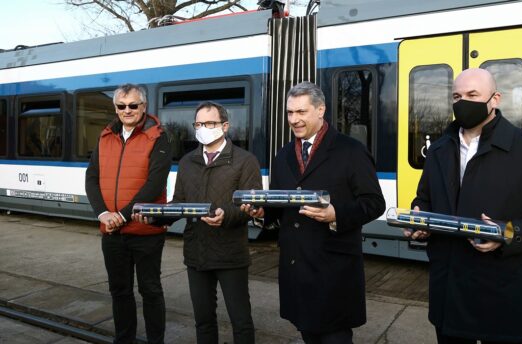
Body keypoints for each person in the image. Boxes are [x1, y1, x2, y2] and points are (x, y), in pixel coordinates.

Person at [405, 68, 522, 344]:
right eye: (456, 96)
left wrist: (506, 233)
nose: (462, 102)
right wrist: (419, 218)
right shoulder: (438, 150)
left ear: (495, 99)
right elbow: (424, 199)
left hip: (502, 296)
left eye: (472, 95)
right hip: (449, 293)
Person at [242, 81, 385, 344]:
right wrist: (262, 212)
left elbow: (375, 203)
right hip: (297, 270)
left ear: (321, 110)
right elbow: (279, 207)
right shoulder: (283, 156)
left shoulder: (350, 150)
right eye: (289, 113)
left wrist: (336, 215)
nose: (294, 120)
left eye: (301, 112)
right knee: (308, 334)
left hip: (334, 272)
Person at [135, 101, 261, 344]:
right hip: (197, 253)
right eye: (199, 124)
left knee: (241, 321)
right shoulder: (187, 162)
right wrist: (155, 216)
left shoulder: (245, 161)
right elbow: (179, 203)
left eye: (210, 123)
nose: (203, 128)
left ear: (225, 126)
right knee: (203, 321)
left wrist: (227, 214)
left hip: (231, 255)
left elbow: (250, 206)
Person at [85, 83, 172, 344]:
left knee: (150, 290)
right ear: (115, 108)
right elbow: (92, 178)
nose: (127, 110)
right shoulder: (105, 137)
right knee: (120, 291)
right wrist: (102, 214)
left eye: (133, 105)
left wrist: (121, 216)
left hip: (146, 231)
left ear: (143, 107)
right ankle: (124, 339)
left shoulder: (159, 136)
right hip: (111, 232)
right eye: (121, 106)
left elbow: (154, 184)